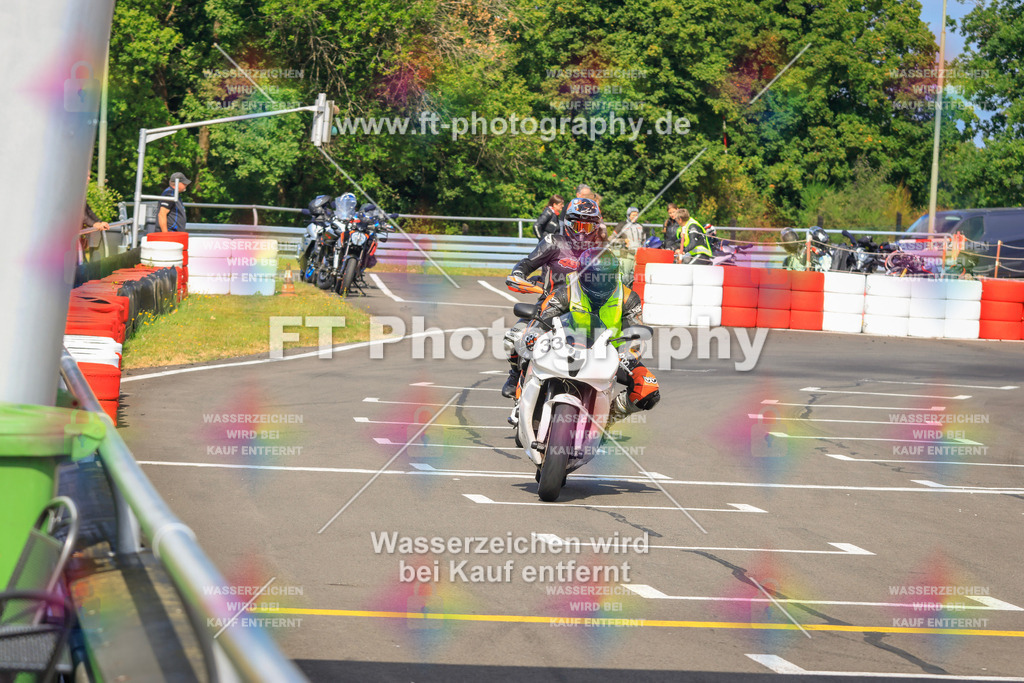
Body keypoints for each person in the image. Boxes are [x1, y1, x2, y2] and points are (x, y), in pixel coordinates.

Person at [522, 248, 660, 421]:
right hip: (567, 348)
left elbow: (636, 332)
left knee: (648, 388)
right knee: (525, 347)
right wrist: (534, 334)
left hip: (609, 354)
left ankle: (608, 418)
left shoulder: (627, 297)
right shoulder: (567, 291)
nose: (599, 283)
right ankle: (521, 397)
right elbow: (544, 316)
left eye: (606, 277)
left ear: (615, 275)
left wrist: (628, 354)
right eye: (593, 277)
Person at [502, 197, 604, 397]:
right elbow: (526, 263)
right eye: (578, 225)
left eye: (588, 226)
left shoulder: (601, 254)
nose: (583, 231)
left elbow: (615, 284)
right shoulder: (553, 242)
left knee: (610, 350)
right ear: (568, 223)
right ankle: (515, 375)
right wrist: (518, 275)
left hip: (586, 313)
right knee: (513, 338)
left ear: (596, 227)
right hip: (547, 307)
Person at [611, 206, 644, 285]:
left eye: (636, 215)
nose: (635, 217)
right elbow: (611, 239)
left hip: (638, 254)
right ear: (628, 215)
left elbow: (644, 240)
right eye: (633, 215)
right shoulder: (622, 225)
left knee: (636, 276)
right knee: (626, 276)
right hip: (626, 254)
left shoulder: (640, 226)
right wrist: (623, 241)